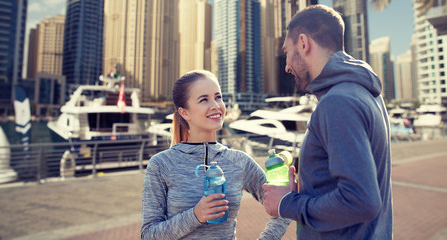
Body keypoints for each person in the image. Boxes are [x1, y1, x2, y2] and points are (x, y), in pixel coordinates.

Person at [262, 5, 393, 239]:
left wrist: (287, 204)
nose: (286, 66)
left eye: (287, 52)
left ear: (303, 43)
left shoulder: (338, 102)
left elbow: (361, 200)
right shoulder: (364, 93)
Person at [141, 70, 291, 239]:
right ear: (184, 112)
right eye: (204, 99)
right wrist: (195, 215)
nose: (216, 105)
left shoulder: (239, 161)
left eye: (218, 97)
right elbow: (148, 235)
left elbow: (284, 205)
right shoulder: (161, 164)